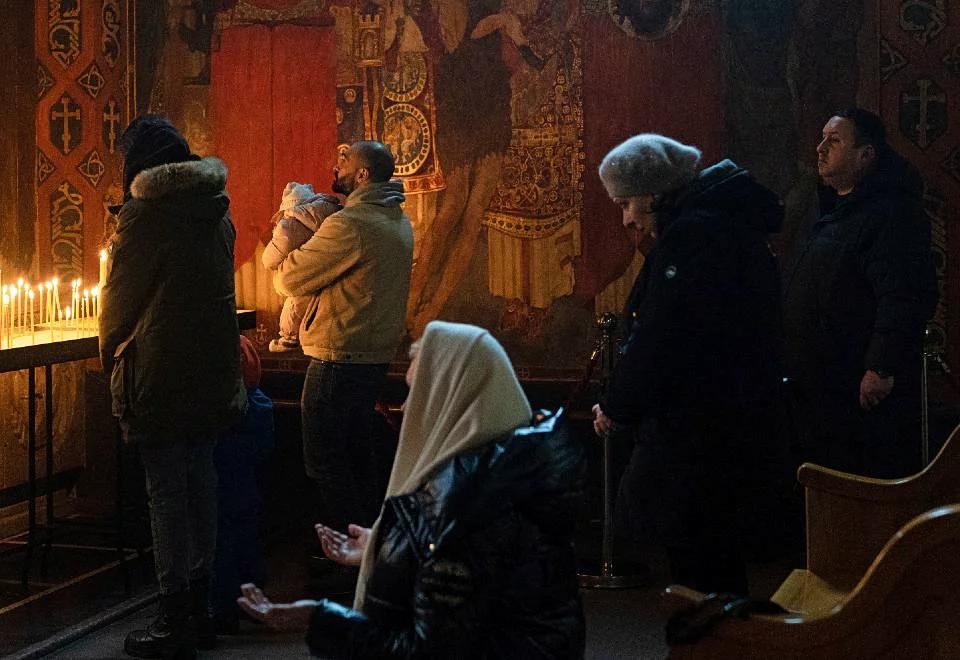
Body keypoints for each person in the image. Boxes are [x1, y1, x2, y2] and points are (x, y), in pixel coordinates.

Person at [237, 321, 587, 658]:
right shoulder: (511, 476)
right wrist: (388, 547)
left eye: (415, 394)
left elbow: (427, 650)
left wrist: (320, 619)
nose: (405, 408)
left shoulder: (461, 510)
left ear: (448, 401)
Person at [591, 133, 789, 596]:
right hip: (728, 422)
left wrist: (617, 404)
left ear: (652, 194)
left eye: (626, 204)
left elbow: (662, 334)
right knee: (714, 564)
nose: (626, 219)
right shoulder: (721, 226)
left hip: (699, 433)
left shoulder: (693, 237)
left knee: (700, 567)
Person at [99, 115, 246, 659]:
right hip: (211, 365)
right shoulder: (216, 209)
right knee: (201, 480)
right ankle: (202, 607)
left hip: (160, 369)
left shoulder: (145, 215)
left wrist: (108, 353)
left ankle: (173, 613)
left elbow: (120, 301)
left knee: (165, 490)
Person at [783, 108, 937, 479]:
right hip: (823, 389)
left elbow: (903, 293)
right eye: (821, 138)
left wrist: (880, 366)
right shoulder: (838, 213)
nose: (820, 148)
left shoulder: (891, 214)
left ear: (865, 155)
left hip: (856, 392)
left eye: (834, 141)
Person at [272, 141, 414, 536]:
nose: (337, 163)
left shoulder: (351, 224)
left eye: (346, 160)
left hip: (336, 358)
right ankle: (369, 552)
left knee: (325, 462)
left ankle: (349, 556)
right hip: (371, 358)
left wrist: (290, 237)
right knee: (357, 456)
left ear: (363, 175)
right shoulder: (397, 221)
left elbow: (288, 278)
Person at [210, 335, 275, 634]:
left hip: (221, 483)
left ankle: (223, 610)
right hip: (248, 485)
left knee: (220, 543)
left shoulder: (224, 414)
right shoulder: (260, 405)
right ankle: (254, 603)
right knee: (248, 541)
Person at [262, 182, 343, 353]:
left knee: (295, 301)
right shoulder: (334, 216)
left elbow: (269, 259)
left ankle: (288, 337)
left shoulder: (289, 225)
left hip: (302, 275)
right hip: (330, 280)